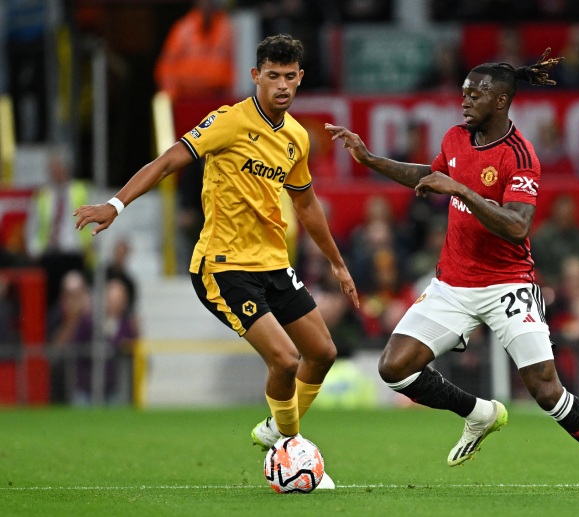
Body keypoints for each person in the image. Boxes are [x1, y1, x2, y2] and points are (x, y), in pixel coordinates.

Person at [324, 48, 579, 490]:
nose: (465, 101)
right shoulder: (455, 138)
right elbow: (430, 174)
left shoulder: (520, 155)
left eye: (476, 94)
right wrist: (372, 160)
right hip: (452, 282)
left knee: (546, 390)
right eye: (464, 93)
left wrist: (460, 189)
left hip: (508, 284)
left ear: (501, 101)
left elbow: (517, 226)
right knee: (394, 367)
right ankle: (478, 413)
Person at [74, 34, 358, 488]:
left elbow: (306, 206)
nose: (281, 85)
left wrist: (337, 264)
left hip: (272, 264)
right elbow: (170, 160)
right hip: (222, 266)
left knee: (323, 352)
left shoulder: (296, 138)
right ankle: (290, 448)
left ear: (301, 78)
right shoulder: (229, 121)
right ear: (255, 76)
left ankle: (275, 430)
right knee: (285, 360)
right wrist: (116, 204)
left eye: (290, 77)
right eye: (272, 76)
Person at [24, 145, 93, 309]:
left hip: (73, 253)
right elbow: (32, 225)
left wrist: (89, 245)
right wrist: (34, 250)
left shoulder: (80, 190)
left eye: (58, 167)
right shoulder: (42, 195)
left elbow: (94, 219)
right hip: (48, 254)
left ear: (66, 168)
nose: (54, 172)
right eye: (52, 168)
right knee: (48, 299)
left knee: (73, 296)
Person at [154, 0, 235, 102]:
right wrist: (173, 98)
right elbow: (166, 68)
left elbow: (236, 68)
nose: (206, 4)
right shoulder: (183, 29)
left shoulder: (227, 29)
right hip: (185, 98)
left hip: (217, 98)